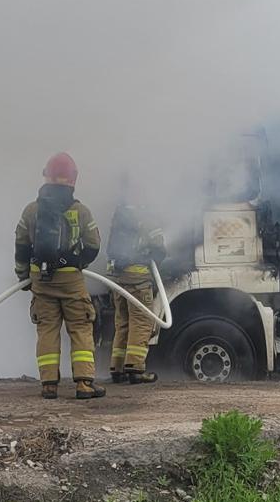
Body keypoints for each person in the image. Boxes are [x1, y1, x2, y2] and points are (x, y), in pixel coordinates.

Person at [14, 152, 103, 400]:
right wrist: (77, 263)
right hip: (71, 281)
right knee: (80, 328)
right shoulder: (80, 211)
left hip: (40, 280)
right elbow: (93, 245)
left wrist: (23, 275)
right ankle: (84, 384)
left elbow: (21, 245)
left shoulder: (31, 211)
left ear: (46, 177)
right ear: (73, 180)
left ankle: (49, 385)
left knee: (47, 330)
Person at [106, 184, 167, 384]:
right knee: (141, 322)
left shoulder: (119, 217)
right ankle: (135, 368)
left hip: (117, 279)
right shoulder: (146, 218)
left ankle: (117, 367)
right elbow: (159, 249)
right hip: (138, 280)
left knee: (122, 323)